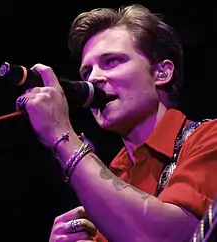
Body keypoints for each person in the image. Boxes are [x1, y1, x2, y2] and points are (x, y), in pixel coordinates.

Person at [16, 4, 217, 242]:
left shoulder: (209, 139)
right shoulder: (113, 174)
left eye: (112, 61)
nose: (93, 79)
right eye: (86, 72)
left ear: (162, 73)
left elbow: (171, 236)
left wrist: (62, 135)